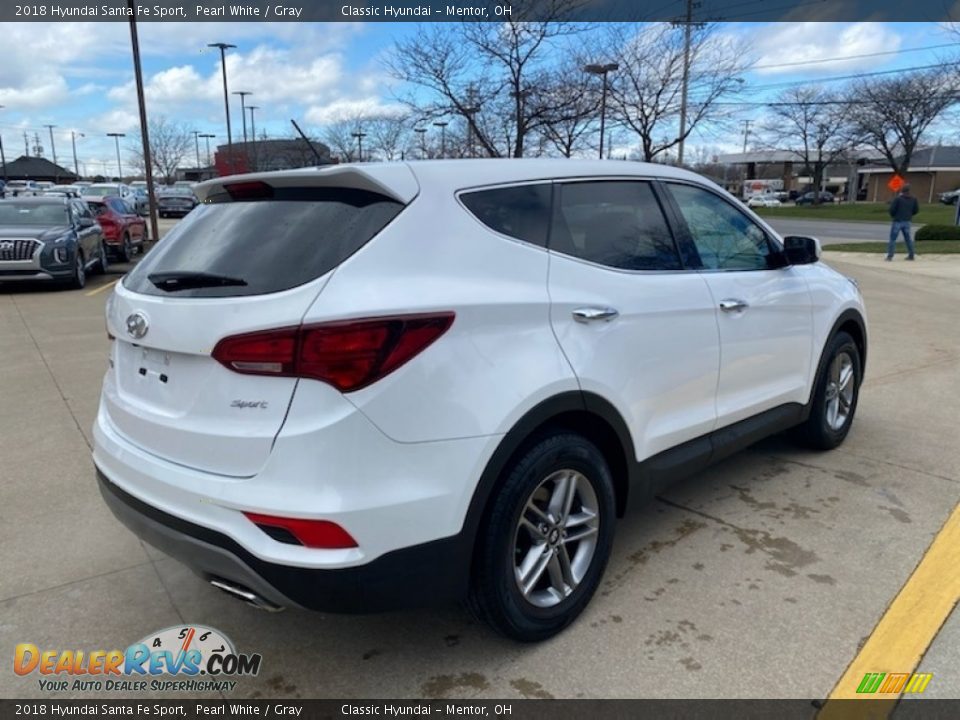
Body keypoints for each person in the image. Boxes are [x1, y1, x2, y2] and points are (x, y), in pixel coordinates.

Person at [887, 184, 919, 261]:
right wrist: (909, 214)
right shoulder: (914, 199)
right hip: (907, 221)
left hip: (897, 220)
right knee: (908, 239)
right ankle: (911, 255)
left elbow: (892, 210)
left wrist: (894, 215)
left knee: (893, 239)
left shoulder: (898, 199)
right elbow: (916, 210)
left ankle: (890, 256)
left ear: (902, 191)